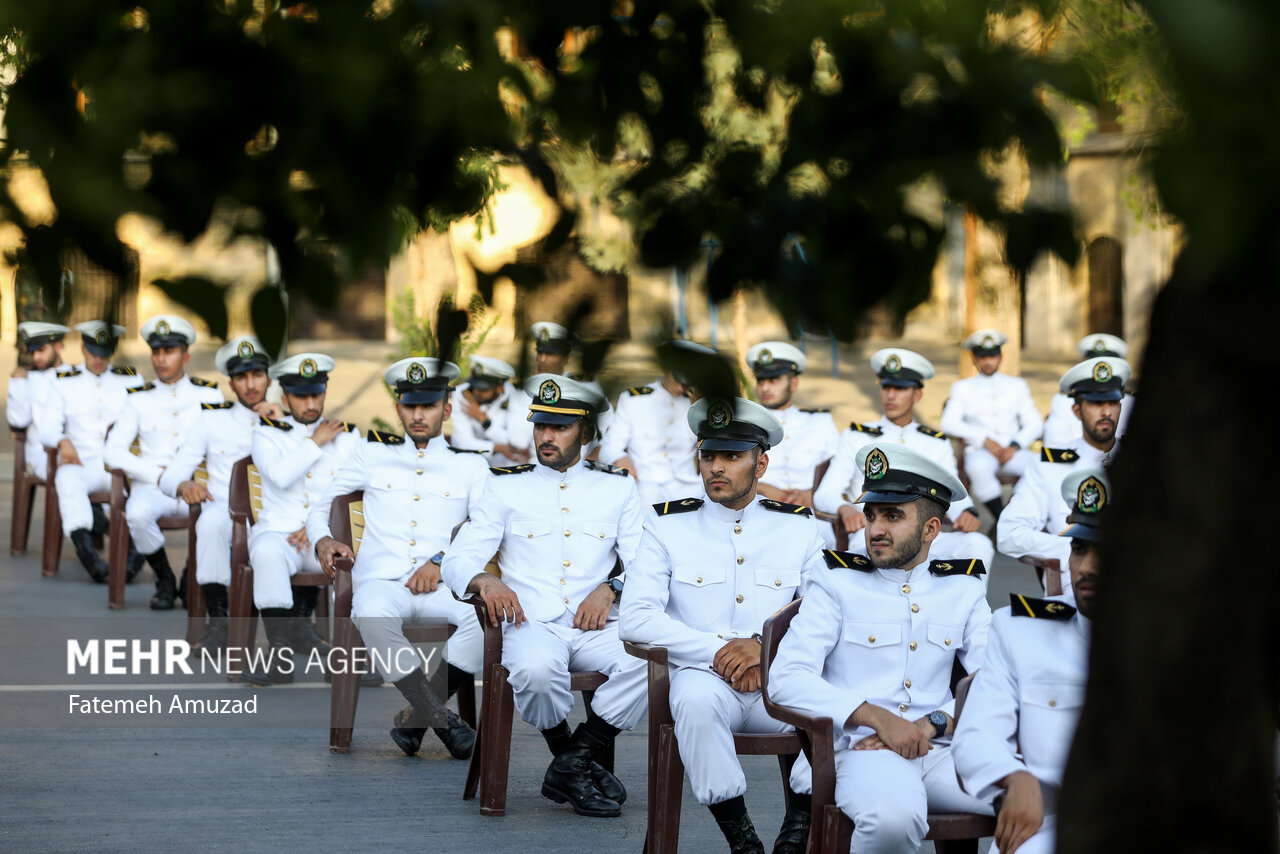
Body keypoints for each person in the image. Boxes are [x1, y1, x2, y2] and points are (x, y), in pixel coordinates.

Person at [620, 396, 827, 854]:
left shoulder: (799, 527)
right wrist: (722, 651)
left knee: (836, 704)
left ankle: (797, 828)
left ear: (761, 464)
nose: (716, 467)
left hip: (780, 679)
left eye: (732, 456)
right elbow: (634, 619)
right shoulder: (666, 525)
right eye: (709, 455)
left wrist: (763, 649)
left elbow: (825, 610)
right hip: (704, 678)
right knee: (694, 702)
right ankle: (742, 839)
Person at [769, 443, 994, 854]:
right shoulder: (836, 581)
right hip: (860, 751)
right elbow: (786, 679)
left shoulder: (963, 588)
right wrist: (876, 717)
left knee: (1041, 799)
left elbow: (995, 681)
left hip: (940, 750)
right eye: (871, 515)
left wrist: (934, 723)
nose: (874, 529)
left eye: (893, 516)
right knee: (893, 820)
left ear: (931, 529)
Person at [441, 373, 647, 818]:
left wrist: (612, 588)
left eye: (560, 427)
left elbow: (647, 563)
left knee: (649, 662)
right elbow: (458, 559)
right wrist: (485, 581)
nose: (546, 436)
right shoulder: (504, 485)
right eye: (540, 426)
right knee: (536, 669)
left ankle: (572, 763)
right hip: (529, 623)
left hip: (595, 626)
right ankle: (571, 759)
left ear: (586, 433)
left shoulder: (618, 487)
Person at [310, 357, 485, 760]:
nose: (418, 415)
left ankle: (417, 719)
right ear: (398, 408)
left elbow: (484, 527)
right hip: (383, 583)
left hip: (444, 585)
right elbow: (322, 503)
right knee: (370, 612)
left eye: (429, 406)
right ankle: (441, 719)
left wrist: (440, 560)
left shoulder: (471, 464)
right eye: (410, 405)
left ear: (446, 409)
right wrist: (322, 539)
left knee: (484, 621)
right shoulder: (370, 454)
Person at [953, 468, 1109, 854]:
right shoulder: (1020, 630)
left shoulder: (1180, 641)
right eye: (1079, 549)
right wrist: (1013, 776)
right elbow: (975, 735)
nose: (1087, 568)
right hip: (1050, 825)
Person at [813, 348, 992, 568]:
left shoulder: (935, 442)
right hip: (872, 531)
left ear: (917, 395)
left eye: (900, 388)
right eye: (886, 387)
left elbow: (951, 489)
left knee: (978, 544)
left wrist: (966, 512)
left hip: (921, 536)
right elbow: (825, 494)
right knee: (865, 543)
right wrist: (844, 508)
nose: (890, 395)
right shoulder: (856, 436)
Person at [244, 353, 362, 685]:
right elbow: (280, 475)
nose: (311, 403)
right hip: (280, 535)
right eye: (301, 396)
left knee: (359, 560)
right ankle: (280, 655)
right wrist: (315, 442)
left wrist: (317, 527)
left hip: (326, 537)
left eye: (316, 394)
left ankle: (349, 658)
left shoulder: (348, 436)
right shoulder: (267, 434)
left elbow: (357, 488)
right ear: (285, 399)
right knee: (267, 553)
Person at [158, 336, 279, 649]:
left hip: (277, 515)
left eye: (257, 375)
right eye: (242, 377)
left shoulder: (287, 420)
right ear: (231, 383)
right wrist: (184, 485)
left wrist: (279, 425)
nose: (250, 384)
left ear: (269, 379)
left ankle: (292, 629)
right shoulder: (212, 420)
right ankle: (218, 619)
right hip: (226, 510)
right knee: (209, 523)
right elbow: (170, 476)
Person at [103, 315, 224, 609]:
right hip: (153, 487)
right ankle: (164, 577)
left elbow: (223, 445)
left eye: (169, 351)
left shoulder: (208, 394)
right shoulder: (137, 398)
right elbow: (112, 452)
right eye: (156, 351)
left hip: (199, 485)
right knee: (137, 513)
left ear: (185, 356)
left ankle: (189, 576)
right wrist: (156, 476)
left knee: (217, 519)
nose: (161, 359)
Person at [997, 356, 1127, 595]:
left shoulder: (1143, 461)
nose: (1106, 412)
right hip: (1075, 587)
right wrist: (1078, 549)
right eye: (1096, 404)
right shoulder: (1049, 465)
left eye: (1113, 402)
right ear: (1077, 411)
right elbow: (1008, 533)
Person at [37, 321, 144, 581]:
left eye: (104, 354)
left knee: (145, 491)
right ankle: (89, 557)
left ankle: (134, 560)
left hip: (119, 464)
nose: (99, 359)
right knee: (67, 478)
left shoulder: (131, 379)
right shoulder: (63, 381)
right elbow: (47, 427)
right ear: (83, 348)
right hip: (82, 461)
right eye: (94, 352)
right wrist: (63, 441)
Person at [939, 329, 1043, 520]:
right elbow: (948, 423)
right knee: (977, 468)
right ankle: (1001, 518)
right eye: (982, 356)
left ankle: (1013, 514)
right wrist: (983, 440)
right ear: (974, 358)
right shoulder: (962, 388)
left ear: (1000, 357)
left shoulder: (1017, 386)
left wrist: (1015, 445)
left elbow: (1035, 423)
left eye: (992, 356)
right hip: (981, 451)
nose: (988, 361)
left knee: (1039, 467)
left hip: (1012, 451)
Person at [598, 339, 714, 506]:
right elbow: (609, 447)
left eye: (688, 383)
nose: (681, 388)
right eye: (678, 380)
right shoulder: (634, 400)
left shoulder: (699, 403)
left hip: (689, 486)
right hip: (645, 485)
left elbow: (710, 448)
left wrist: (701, 407)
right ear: (665, 368)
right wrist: (620, 458)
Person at [746, 341, 840, 511]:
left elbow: (840, 469)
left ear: (794, 384)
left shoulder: (820, 422)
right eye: (760, 381)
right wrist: (760, 488)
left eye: (773, 380)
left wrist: (812, 494)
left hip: (812, 511)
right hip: (759, 510)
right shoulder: (746, 424)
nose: (765, 387)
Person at [1042, 334, 1135, 447]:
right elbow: (1054, 443)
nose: (1101, 370)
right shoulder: (1063, 401)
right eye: (1093, 362)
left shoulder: (1132, 402)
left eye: (1113, 403)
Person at [7, 321, 70, 480]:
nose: (36, 357)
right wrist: (19, 384)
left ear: (58, 347)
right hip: (41, 454)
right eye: (33, 351)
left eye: (41, 350)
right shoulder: (28, 378)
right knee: (67, 475)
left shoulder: (75, 376)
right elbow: (19, 421)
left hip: (78, 449)